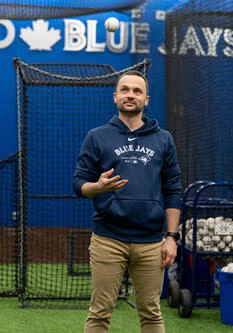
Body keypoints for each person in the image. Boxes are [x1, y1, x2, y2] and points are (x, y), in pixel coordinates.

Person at [73, 70, 182, 333]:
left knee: (151, 313)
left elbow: (173, 188)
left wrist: (171, 237)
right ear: (115, 97)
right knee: (99, 313)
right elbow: (79, 185)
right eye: (125, 90)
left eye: (137, 91)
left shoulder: (163, 139)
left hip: (151, 242)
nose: (130, 95)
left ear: (146, 99)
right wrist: (98, 187)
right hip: (108, 239)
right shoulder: (97, 137)